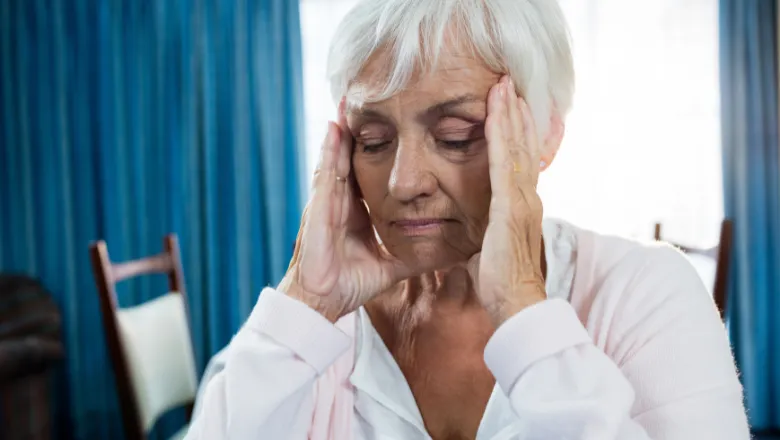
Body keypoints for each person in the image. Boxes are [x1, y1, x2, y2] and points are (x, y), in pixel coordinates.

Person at [185, 0, 750, 438]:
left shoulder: (645, 294)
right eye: (373, 139)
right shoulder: (316, 329)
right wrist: (305, 302)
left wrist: (525, 310)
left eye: (456, 135)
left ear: (546, 133)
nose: (405, 182)